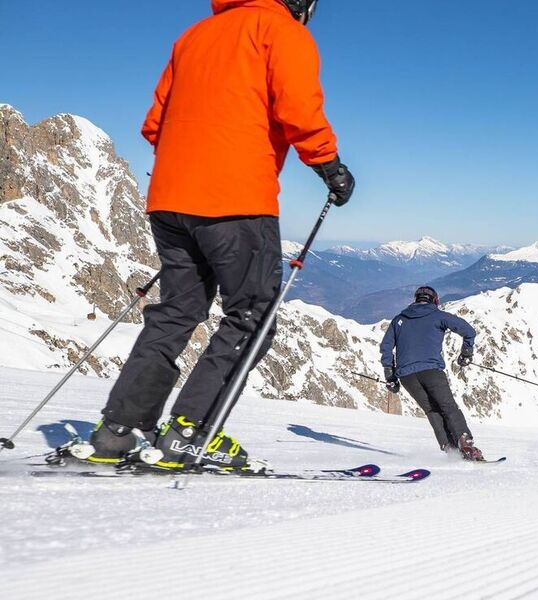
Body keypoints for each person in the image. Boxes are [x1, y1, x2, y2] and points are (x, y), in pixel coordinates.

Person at [87, 0, 354, 470]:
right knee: (251, 316)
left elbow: (155, 125)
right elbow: (297, 105)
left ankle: (118, 431)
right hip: (236, 201)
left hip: (169, 198)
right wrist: (329, 164)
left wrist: (190, 157)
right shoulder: (279, 30)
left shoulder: (193, 36)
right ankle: (190, 432)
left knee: (176, 312)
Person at [381, 286, 483, 460]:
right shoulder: (438, 316)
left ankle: (451, 450)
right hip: (431, 371)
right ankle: (466, 446)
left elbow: (386, 347)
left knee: (432, 410)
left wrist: (390, 375)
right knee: (448, 407)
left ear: (415, 299)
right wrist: (466, 353)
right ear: (435, 300)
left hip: (406, 376)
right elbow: (469, 331)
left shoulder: (399, 320)